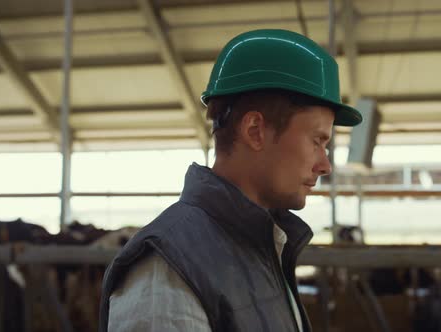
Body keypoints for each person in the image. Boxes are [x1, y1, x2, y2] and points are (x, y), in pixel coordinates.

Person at [99, 29, 362, 332]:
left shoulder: (266, 246)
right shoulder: (168, 269)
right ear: (254, 130)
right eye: (317, 141)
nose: (325, 165)